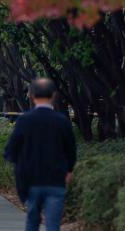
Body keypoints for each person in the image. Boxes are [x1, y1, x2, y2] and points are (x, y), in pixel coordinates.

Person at [4, 78, 77, 231]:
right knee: (53, 223)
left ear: (31, 95)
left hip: (31, 181)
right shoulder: (62, 121)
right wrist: (69, 169)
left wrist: (21, 164)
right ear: (54, 95)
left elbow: (10, 150)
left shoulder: (24, 121)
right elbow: (71, 149)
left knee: (32, 220)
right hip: (56, 180)